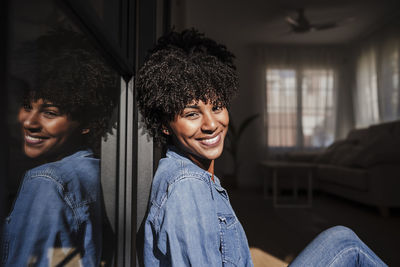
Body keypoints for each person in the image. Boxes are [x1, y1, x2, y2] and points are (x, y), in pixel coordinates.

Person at [136, 29, 387, 266]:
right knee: (348, 247)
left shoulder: (184, 172)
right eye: (192, 114)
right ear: (165, 125)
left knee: (342, 238)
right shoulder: (188, 186)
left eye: (216, 107)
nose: (212, 124)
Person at [1, 28, 118, 266]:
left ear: (86, 123)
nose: (29, 122)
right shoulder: (94, 172)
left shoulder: (47, 182)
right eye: (27, 105)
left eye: (50, 112)